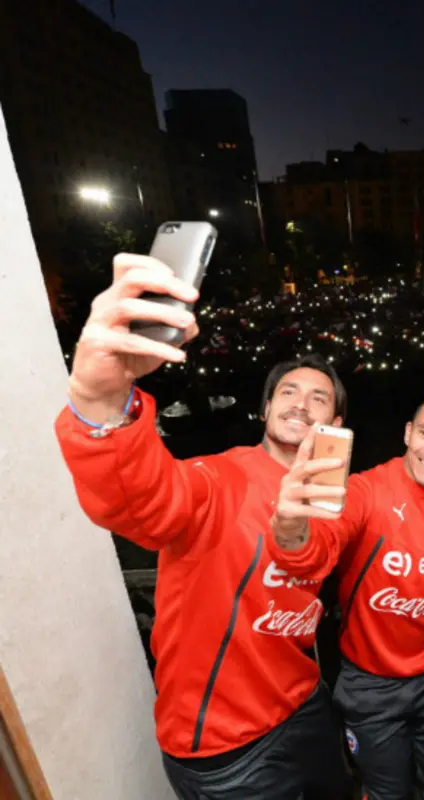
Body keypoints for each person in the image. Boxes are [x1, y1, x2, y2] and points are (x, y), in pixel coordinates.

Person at [54, 253, 350, 800]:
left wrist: (294, 534)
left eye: (319, 398)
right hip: (227, 743)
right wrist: (101, 403)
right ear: (265, 410)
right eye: (287, 392)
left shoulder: (334, 497)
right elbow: (140, 502)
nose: (301, 404)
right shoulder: (216, 476)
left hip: (305, 702)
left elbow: (317, 554)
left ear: (334, 425)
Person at [269, 387, 424, 800]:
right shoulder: (368, 490)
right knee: (387, 792)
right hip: (371, 686)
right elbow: (319, 545)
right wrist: (292, 530)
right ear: (406, 433)